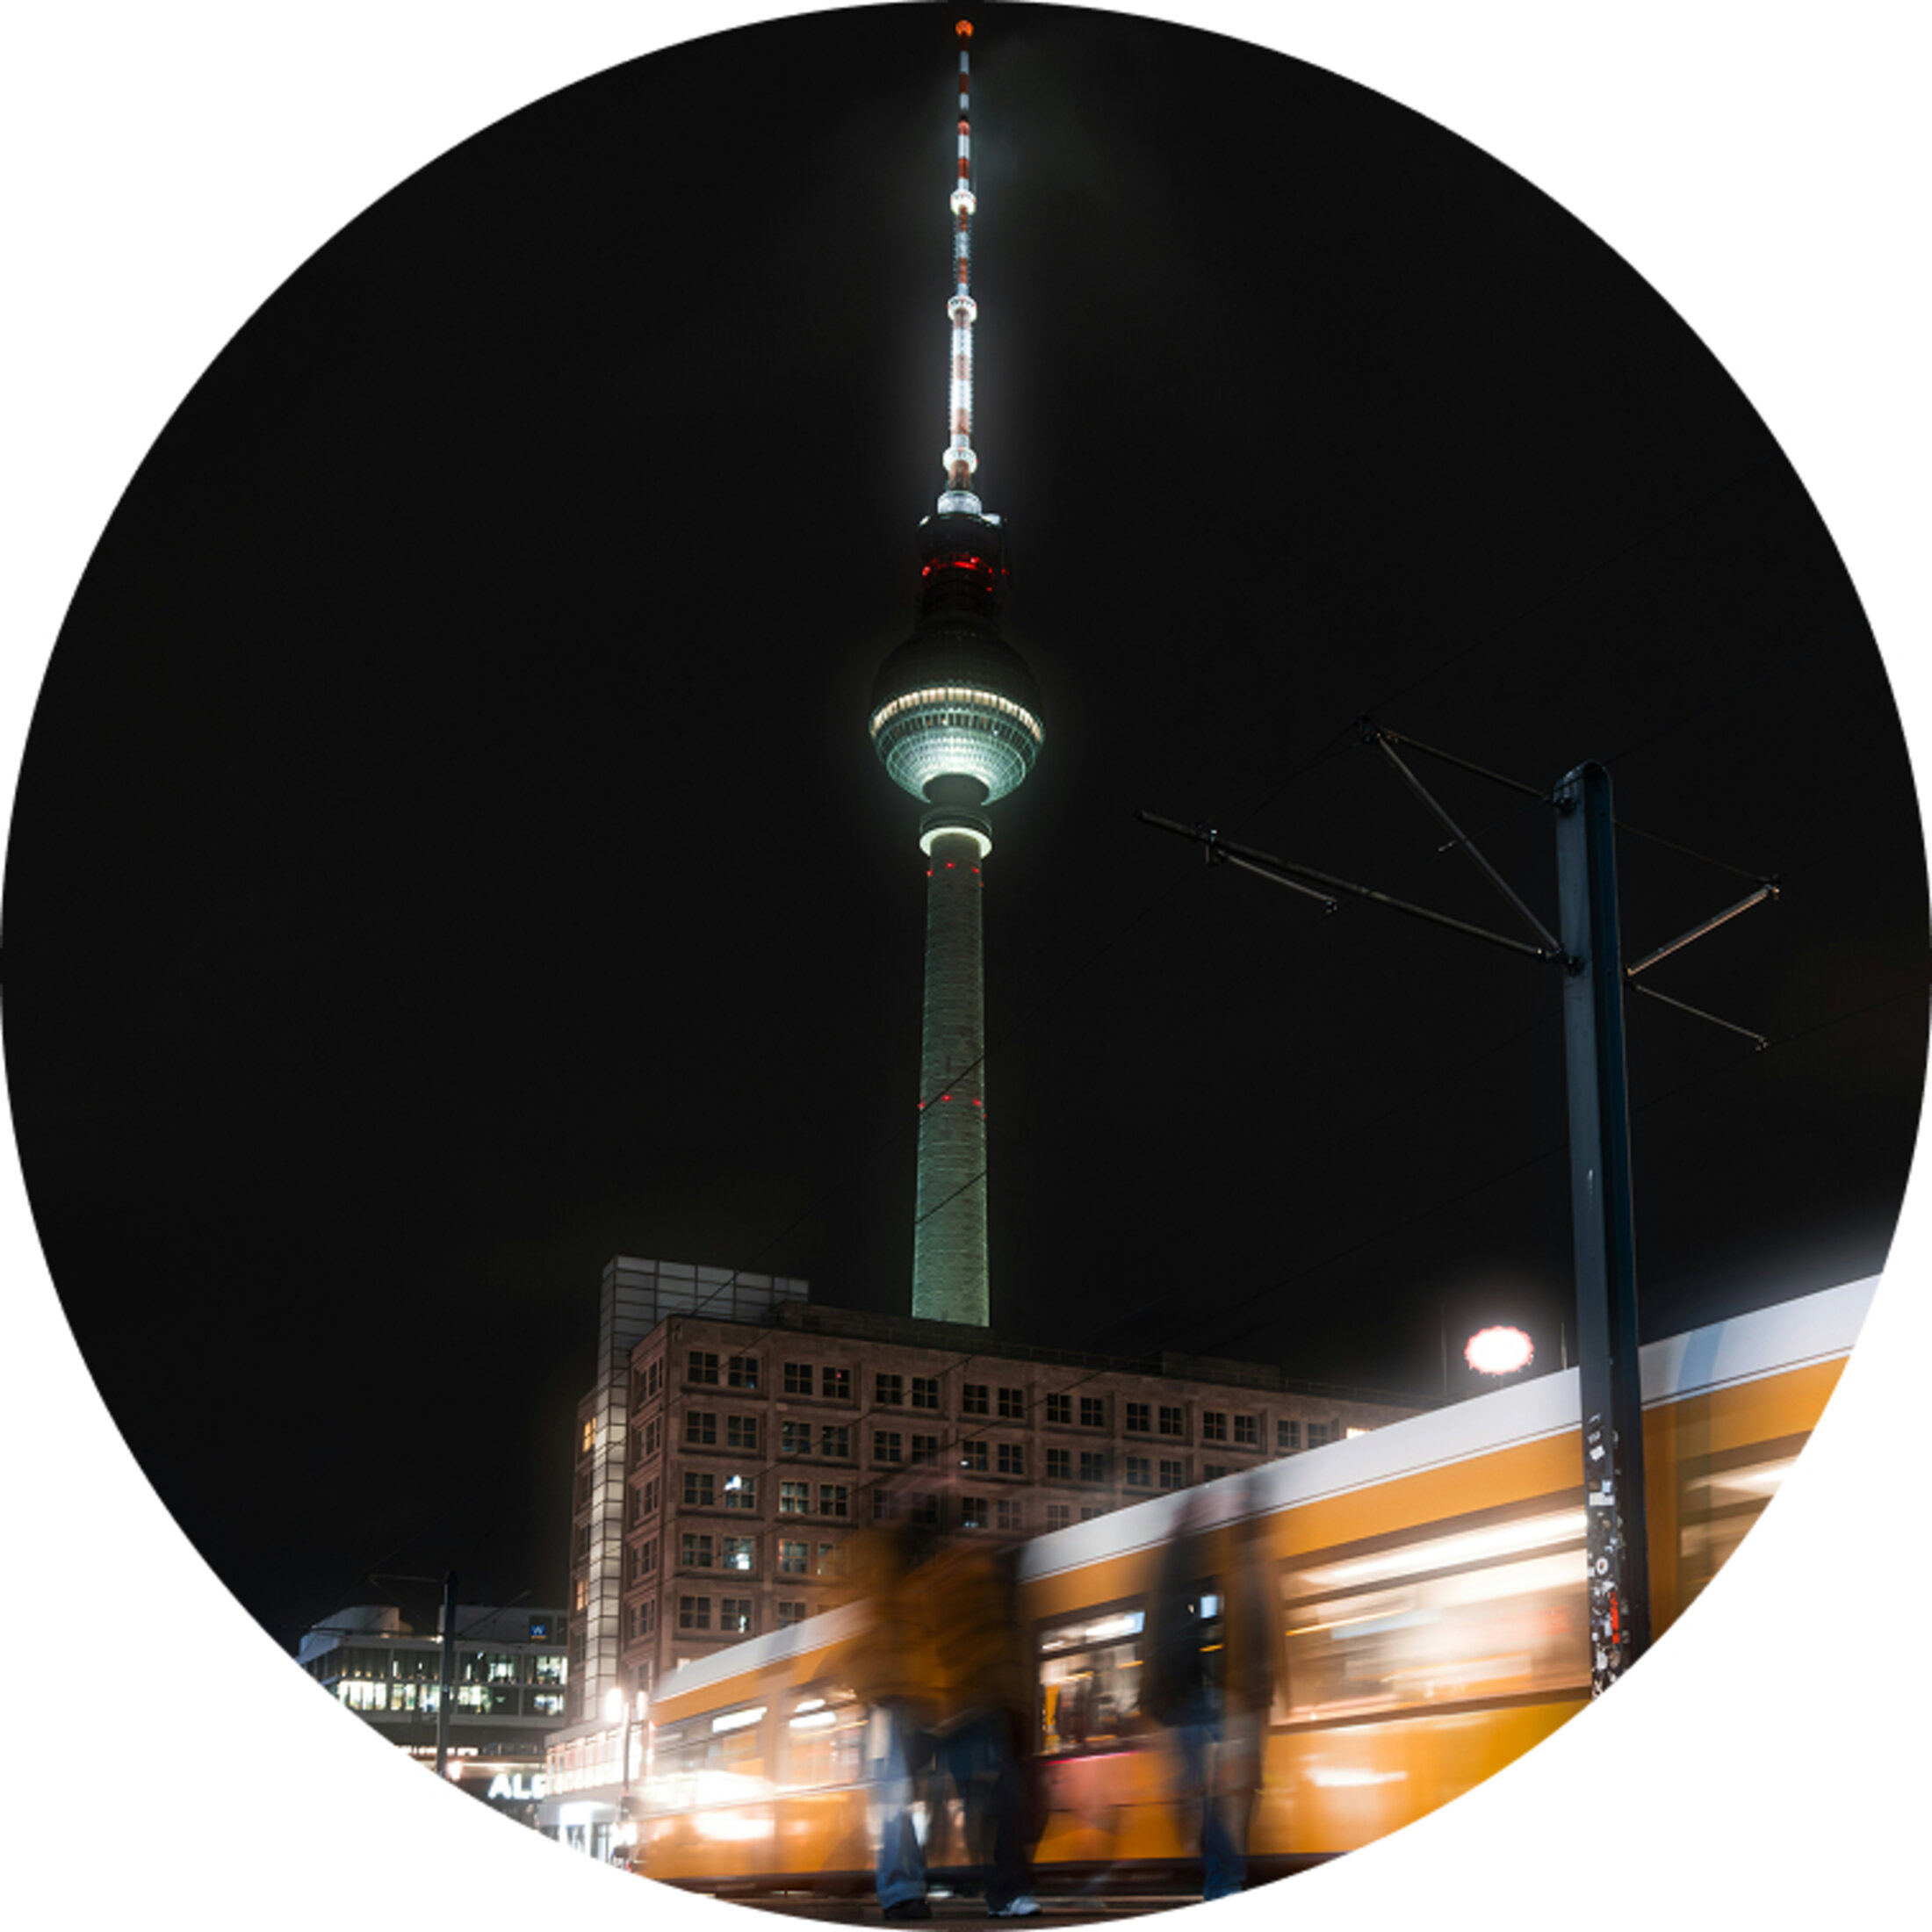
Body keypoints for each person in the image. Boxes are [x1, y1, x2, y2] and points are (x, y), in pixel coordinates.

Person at [908, 1500, 1043, 1919]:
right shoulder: (963, 1578)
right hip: (970, 1712)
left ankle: (1001, 1888)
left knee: (993, 1803)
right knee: (995, 1802)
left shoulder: (980, 1578)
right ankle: (1003, 1892)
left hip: (985, 1711)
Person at [1143, 1482, 1277, 1901]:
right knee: (1212, 1791)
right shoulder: (1187, 1559)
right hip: (1194, 1695)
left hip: (1210, 1695)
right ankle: (1225, 1877)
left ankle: (1225, 1876)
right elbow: (1167, 1632)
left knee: (1216, 1790)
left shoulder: (1210, 1554)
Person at [839, 1505, 944, 1921]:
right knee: (898, 1802)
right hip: (892, 1706)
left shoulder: (893, 1588)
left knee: (900, 1803)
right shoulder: (892, 1588)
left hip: (901, 1705)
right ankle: (901, 1890)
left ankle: (905, 1887)